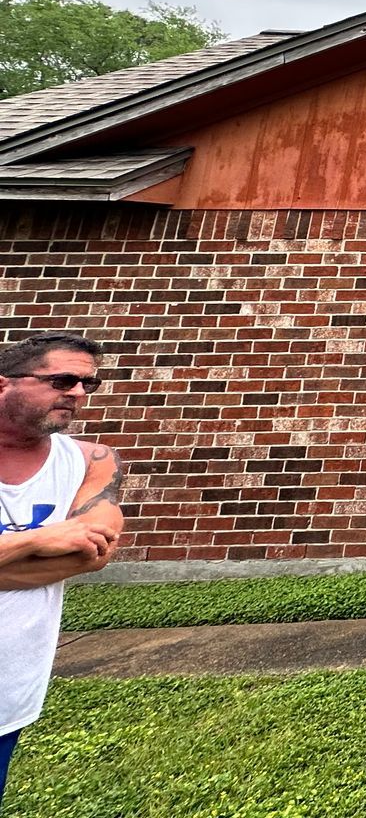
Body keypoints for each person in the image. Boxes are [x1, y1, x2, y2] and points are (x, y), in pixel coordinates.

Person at [0, 334, 124, 811]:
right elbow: (59, 551)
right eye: (62, 380)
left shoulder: (91, 461)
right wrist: (36, 540)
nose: (78, 392)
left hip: (9, 691)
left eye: (88, 383)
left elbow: (90, 555)